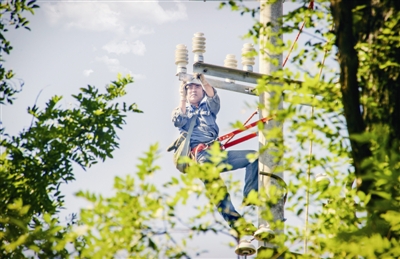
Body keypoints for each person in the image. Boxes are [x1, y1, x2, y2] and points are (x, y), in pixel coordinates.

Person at [171, 73, 258, 235]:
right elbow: (178, 120)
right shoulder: (182, 110)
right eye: (190, 87)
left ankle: (251, 198)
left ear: (202, 91)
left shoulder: (208, 109)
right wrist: (182, 94)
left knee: (254, 157)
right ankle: (238, 225)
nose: (193, 90)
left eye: (197, 87)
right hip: (202, 157)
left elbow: (213, 97)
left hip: (217, 154)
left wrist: (203, 80)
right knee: (219, 191)